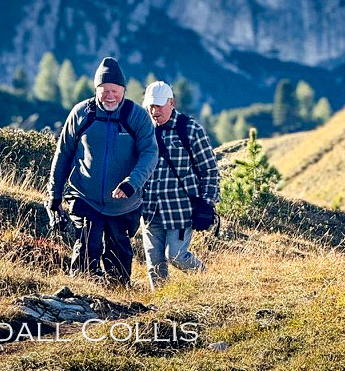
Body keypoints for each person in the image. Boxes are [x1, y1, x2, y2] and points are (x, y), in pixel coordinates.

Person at [45, 57, 157, 285]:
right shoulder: (81, 114)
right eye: (104, 90)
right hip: (86, 197)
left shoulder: (136, 117)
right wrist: (54, 195)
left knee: (119, 259)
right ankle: (81, 296)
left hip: (124, 203)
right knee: (87, 245)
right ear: (96, 89)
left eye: (115, 90)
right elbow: (63, 153)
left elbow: (150, 153)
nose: (110, 95)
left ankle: (115, 301)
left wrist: (131, 183)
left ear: (123, 90)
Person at [140, 80, 220, 290]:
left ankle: (209, 283)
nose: (154, 111)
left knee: (175, 255)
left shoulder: (190, 129)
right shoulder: (143, 131)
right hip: (150, 209)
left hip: (180, 210)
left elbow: (209, 169)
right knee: (154, 265)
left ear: (171, 103)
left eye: (158, 105)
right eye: (151, 106)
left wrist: (207, 203)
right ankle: (162, 306)